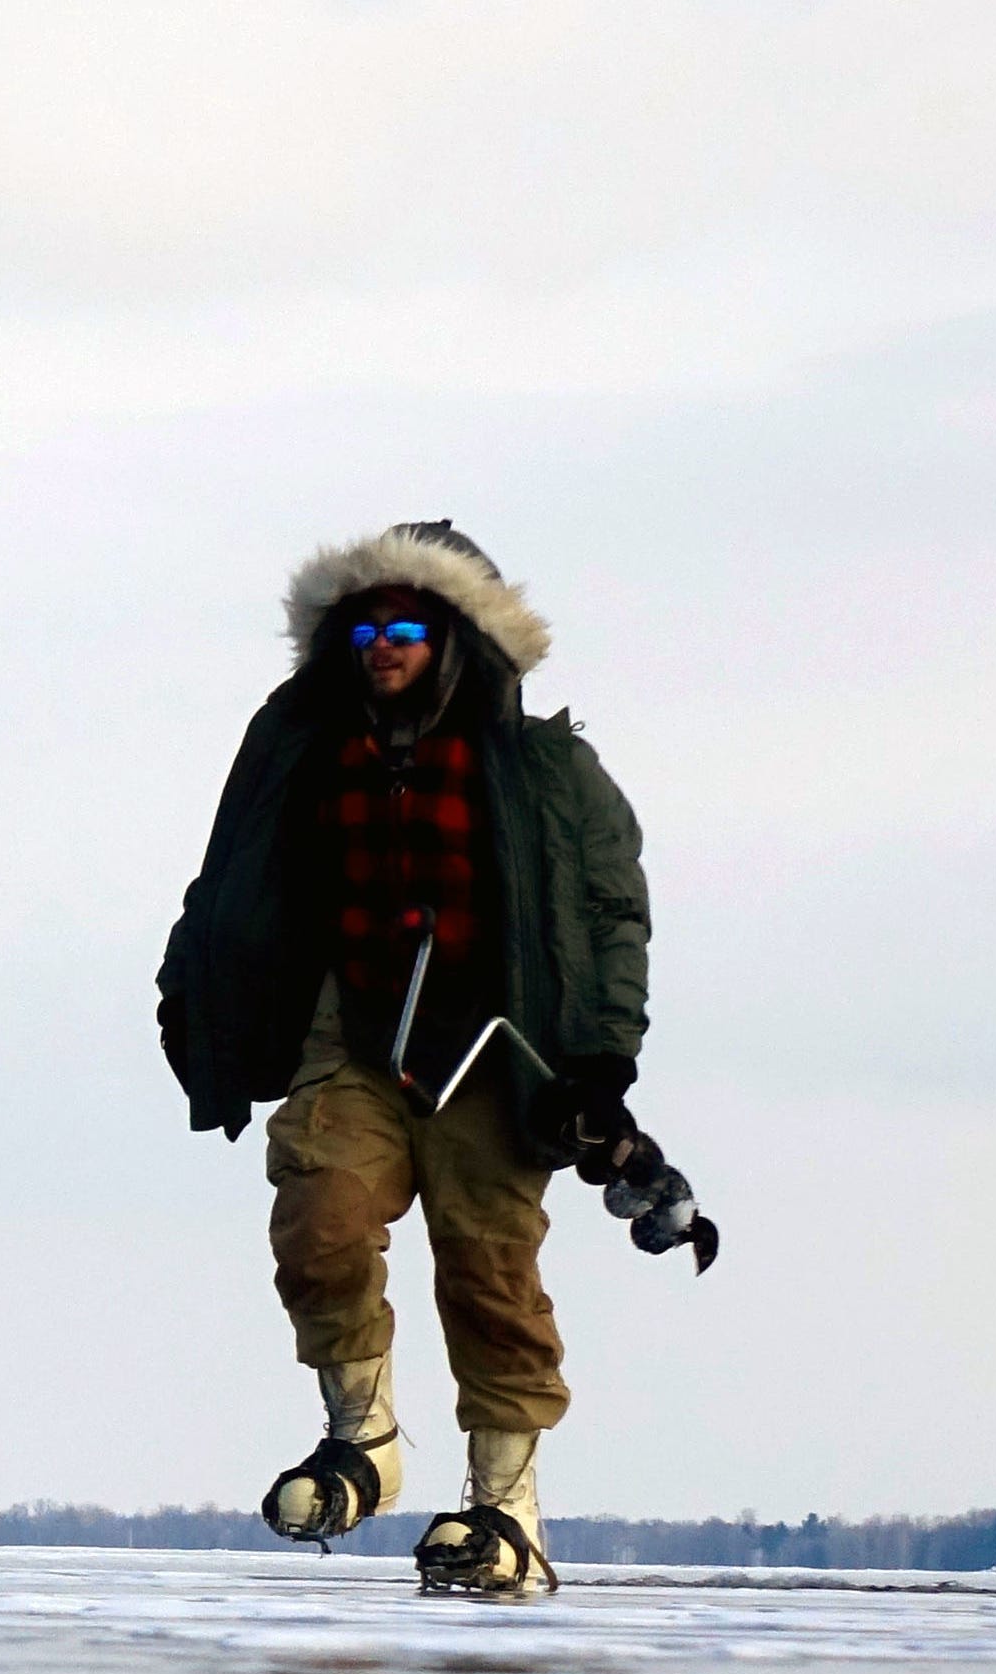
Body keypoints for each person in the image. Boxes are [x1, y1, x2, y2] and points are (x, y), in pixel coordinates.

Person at [156, 520, 650, 1594]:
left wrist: (603, 1061)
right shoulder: (302, 744)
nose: (383, 645)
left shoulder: (544, 767)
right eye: (366, 626)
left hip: (490, 1047)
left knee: (488, 1272)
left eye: (409, 626)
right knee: (319, 1217)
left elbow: (613, 913)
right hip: (355, 1032)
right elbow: (229, 881)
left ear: (458, 636)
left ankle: (502, 1513)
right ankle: (363, 1441)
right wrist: (193, 1001)